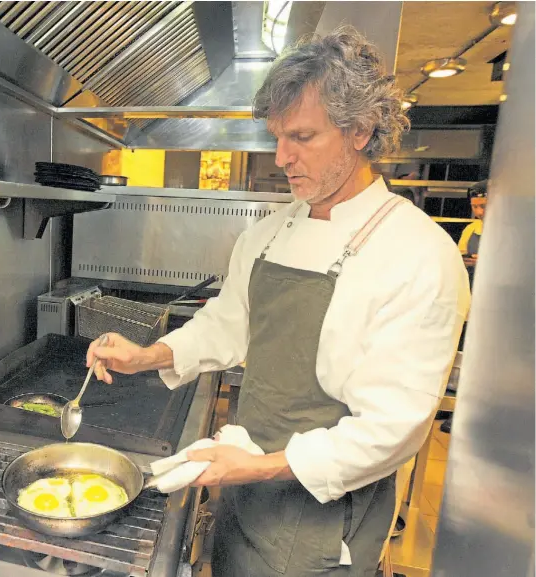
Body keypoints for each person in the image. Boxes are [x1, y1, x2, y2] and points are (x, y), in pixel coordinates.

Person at [87, 26, 470, 577]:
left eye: (303, 137)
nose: (282, 157)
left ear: (360, 129)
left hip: (323, 518)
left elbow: (391, 430)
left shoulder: (419, 256)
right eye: (277, 137)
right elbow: (226, 325)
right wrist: (146, 355)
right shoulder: (269, 233)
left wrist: (257, 468)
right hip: (244, 486)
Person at [440, 180, 488, 434]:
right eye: (475, 206)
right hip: (471, 294)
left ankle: (468, 411)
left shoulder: (513, 229)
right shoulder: (472, 229)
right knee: (460, 349)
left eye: (483, 205)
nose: (479, 211)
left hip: (494, 303)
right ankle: (448, 404)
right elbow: (461, 256)